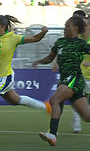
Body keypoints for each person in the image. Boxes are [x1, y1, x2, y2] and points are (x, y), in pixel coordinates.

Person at [33, 16, 90, 146]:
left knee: (54, 100)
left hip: (74, 79)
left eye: (67, 27)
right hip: (65, 80)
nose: (64, 29)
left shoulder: (81, 44)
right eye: (64, 26)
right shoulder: (60, 42)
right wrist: (40, 61)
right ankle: (52, 134)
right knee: (87, 117)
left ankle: (52, 134)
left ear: (75, 28)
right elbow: (50, 58)